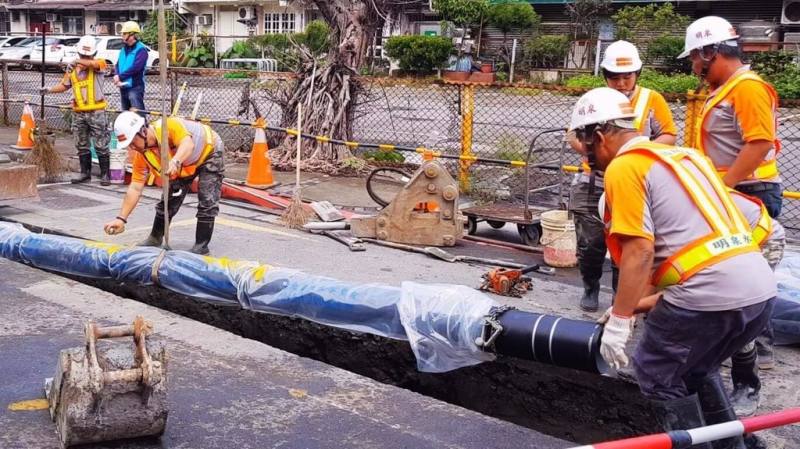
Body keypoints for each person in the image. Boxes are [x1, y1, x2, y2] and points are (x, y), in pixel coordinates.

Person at [572, 87, 774, 449]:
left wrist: (618, 321)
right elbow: (696, 264)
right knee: (696, 370)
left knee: (656, 371)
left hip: (710, 296)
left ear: (599, 136)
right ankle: (737, 446)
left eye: (588, 151)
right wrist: (630, 308)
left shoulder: (624, 166)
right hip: (759, 294)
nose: (592, 162)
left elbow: (639, 251)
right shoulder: (687, 158)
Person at [679, 15, 781, 372]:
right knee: (736, 271)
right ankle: (742, 346)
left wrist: (722, 189)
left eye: (694, 57)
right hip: (738, 191)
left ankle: (757, 353)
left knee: (749, 273)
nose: (694, 66)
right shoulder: (726, 88)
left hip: (749, 192)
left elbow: (759, 143)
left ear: (711, 52)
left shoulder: (747, 88)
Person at [568, 40, 677, 312]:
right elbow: (571, 133)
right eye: (614, 77)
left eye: (626, 76)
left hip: (633, 182)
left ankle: (622, 297)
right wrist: (592, 149)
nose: (621, 83)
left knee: (628, 244)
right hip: (593, 181)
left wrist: (635, 151)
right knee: (590, 243)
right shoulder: (595, 100)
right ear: (605, 76)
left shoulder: (652, 100)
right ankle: (590, 286)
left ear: (637, 74)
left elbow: (669, 135)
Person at [103, 111, 224, 255]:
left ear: (142, 131)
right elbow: (135, 187)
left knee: (207, 199)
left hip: (209, 152)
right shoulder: (143, 154)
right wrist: (121, 219)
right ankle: (155, 238)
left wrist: (175, 161)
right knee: (168, 200)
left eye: (132, 142)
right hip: (183, 165)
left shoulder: (170, 126)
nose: (132, 148)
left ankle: (201, 246)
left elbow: (188, 144)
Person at [41, 35, 111, 185]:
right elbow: (65, 85)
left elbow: (96, 64)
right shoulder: (72, 70)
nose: (85, 57)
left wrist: (76, 61)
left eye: (88, 55)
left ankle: (106, 174)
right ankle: (85, 173)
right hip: (79, 112)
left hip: (97, 112)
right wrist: (48, 90)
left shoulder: (100, 65)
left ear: (93, 54)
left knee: (101, 145)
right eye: (83, 55)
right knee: (81, 144)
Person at [114, 21, 148, 116]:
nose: (122, 36)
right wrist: (116, 74)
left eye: (124, 34)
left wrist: (120, 77)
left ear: (132, 35)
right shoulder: (123, 49)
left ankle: (143, 129)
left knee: (138, 115)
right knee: (126, 115)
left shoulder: (141, 50)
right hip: (123, 87)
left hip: (135, 87)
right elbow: (117, 64)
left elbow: (136, 68)